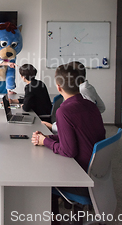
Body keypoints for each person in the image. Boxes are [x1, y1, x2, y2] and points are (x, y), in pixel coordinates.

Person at [32, 63, 105, 198]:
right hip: (96, 171)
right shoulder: (90, 104)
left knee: (39, 171)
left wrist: (46, 142)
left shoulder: (64, 111)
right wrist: (47, 138)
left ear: (58, 87)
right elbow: (76, 135)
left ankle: (53, 218)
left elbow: (68, 151)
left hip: (79, 174)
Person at [42, 61, 105, 132]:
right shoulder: (89, 87)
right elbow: (101, 107)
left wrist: (51, 126)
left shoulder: (82, 91)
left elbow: (76, 121)